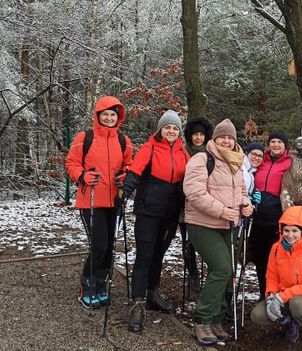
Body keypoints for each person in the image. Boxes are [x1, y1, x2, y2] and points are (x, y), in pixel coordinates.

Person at [183, 119, 254, 345]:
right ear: (214, 139)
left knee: (229, 270)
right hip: (203, 224)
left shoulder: (236, 162)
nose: (226, 140)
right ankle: (202, 319)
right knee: (222, 268)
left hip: (228, 225)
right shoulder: (202, 159)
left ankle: (215, 319)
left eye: (230, 137)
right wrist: (223, 211)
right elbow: (194, 192)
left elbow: (241, 189)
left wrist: (246, 205)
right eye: (222, 136)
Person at [121, 110, 189, 333]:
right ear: (160, 129)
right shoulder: (149, 148)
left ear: (179, 132)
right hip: (148, 211)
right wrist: (124, 193)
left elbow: (192, 180)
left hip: (170, 213)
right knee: (144, 255)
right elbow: (135, 172)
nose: (171, 131)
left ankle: (152, 294)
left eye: (175, 128)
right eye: (167, 127)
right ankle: (137, 304)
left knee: (159, 254)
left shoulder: (184, 153)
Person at [66, 96, 133, 309]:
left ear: (118, 117)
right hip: (91, 200)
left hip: (114, 200)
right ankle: (87, 285)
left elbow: (130, 166)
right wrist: (82, 176)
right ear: (98, 115)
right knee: (99, 245)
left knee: (109, 247)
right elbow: (71, 163)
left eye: (113, 114)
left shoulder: (124, 140)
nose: (109, 118)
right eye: (105, 114)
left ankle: (101, 284)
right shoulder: (84, 137)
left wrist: (125, 176)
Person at [250, 206, 302, 351]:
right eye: (286, 230)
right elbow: (271, 276)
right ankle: (291, 321)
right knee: (257, 315)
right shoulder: (276, 248)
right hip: (284, 298)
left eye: (294, 231)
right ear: (281, 230)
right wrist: (271, 296)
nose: (290, 235)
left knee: (297, 304)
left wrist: (282, 297)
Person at [249, 130, 292, 298]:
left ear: (285, 145)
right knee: (260, 259)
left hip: (276, 217)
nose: (275, 145)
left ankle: (277, 294)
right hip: (257, 217)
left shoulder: (290, 162)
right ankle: (263, 292)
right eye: (273, 141)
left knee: (274, 259)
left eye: (279, 142)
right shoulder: (261, 160)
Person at [180, 116, 213, 295]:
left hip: (205, 203)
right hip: (183, 204)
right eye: (195, 134)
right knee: (187, 242)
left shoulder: (211, 154)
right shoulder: (184, 152)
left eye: (201, 134)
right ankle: (193, 274)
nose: (198, 138)